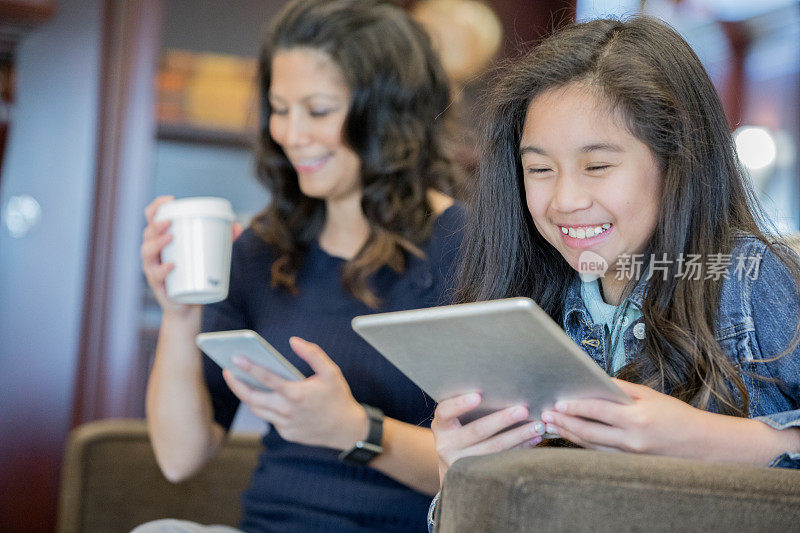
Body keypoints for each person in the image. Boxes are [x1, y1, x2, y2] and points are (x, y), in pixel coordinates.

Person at [429, 15, 800, 527]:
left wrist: (701, 439)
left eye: (597, 166)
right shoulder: (528, 296)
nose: (564, 200)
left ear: (677, 162)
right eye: (539, 169)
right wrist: (458, 477)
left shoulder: (746, 277)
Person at [138, 0, 464, 531]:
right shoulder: (261, 250)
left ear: (388, 115)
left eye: (317, 110)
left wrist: (354, 428)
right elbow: (180, 457)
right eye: (279, 109)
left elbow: (491, 473)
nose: (290, 134)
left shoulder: (468, 247)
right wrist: (178, 315)